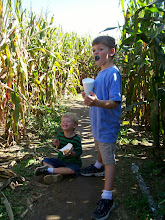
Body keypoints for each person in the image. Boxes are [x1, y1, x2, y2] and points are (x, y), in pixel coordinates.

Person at [80, 36, 122, 220]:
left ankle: (108, 197)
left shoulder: (113, 73)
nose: (96, 53)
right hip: (98, 123)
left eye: (100, 49)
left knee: (109, 160)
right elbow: (96, 95)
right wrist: (88, 95)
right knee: (99, 146)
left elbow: (114, 102)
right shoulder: (100, 73)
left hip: (107, 124)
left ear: (111, 52)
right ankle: (98, 167)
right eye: (94, 50)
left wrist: (96, 102)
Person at [34, 112, 82, 185]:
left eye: (68, 122)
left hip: (72, 162)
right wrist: (57, 145)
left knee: (72, 170)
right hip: (61, 160)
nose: (65, 123)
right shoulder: (60, 135)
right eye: (63, 121)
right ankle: (56, 173)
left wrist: (71, 153)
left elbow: (79, 152)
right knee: (45, 160)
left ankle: (49, 170)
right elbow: (59, 148)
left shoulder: (76, 139)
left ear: (74, 125)